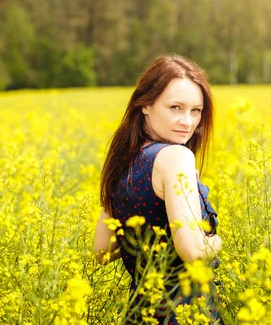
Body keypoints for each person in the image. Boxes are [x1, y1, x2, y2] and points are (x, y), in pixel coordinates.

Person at [93, 54, 223, 324]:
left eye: (196, 110)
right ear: (145, 105)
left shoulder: (122, 161)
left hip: (140, 315)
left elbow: (102, 250)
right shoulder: (176, 157)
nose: (187, 121)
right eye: (175, 107)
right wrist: (215, 243)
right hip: (184, 315)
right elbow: (192, 251)